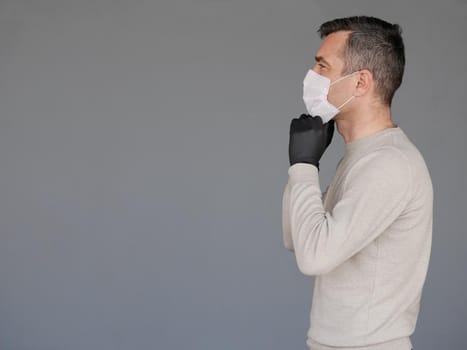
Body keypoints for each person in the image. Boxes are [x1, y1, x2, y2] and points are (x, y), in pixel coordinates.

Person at [282, 16, 432, 350]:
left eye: (323, 66)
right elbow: (296, 237)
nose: (312, 76)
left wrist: (304, 165)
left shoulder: (389, 163)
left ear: (360, 82)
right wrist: (305, 164)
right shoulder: (361, 155)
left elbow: (314, 258)